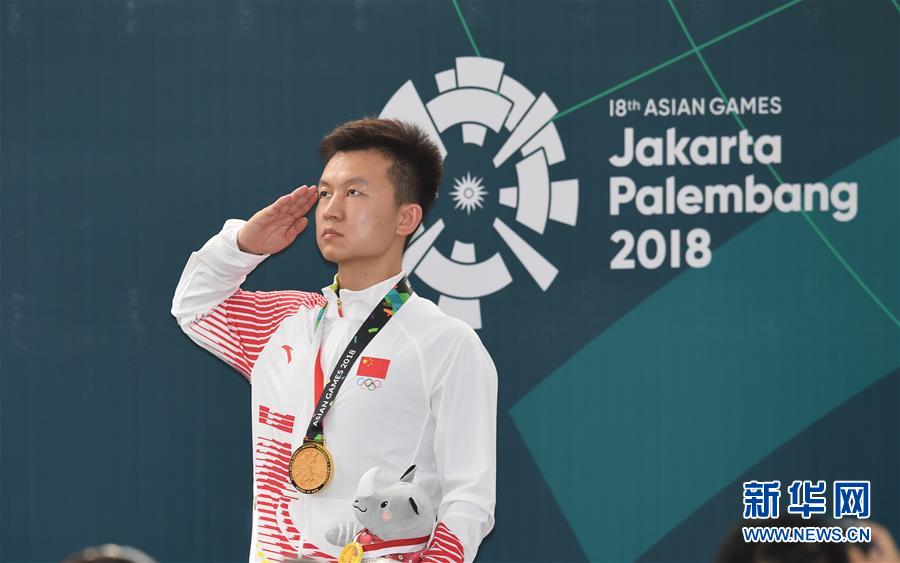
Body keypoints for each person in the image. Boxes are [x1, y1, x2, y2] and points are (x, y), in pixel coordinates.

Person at [170, 118, 497, 563]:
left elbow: (469, 499)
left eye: (355, 192)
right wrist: (242, 245)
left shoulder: (445, 343)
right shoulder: (283, 323)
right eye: (326, 193)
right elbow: (193, 307)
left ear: (406, 217)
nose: (332, 210)